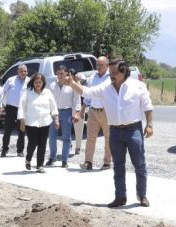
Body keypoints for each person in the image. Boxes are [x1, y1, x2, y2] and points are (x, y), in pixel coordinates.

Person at [65, 59, 153, 208]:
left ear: (124, 72)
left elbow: (148, 107)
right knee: (118, 165)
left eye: (114, 73)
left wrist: (149, 125)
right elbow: (87, 92)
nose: (111, 75)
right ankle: (120, 197)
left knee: (139, 163)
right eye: (110, 72)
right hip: (115, 131)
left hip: (133, 130)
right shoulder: (106, 88)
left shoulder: (138, 86)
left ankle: (142, 195)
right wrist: (72, 84)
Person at [18, 73, 59, 173]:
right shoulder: (27, 93)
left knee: (42, 144)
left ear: (43, 83)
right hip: (31, 122)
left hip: (45, 122)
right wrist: (22, 121)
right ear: (32, 83)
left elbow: (53, 106)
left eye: (39, 82)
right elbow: (21, 107)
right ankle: (28, 159)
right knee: (33, 142)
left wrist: (56, 119)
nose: (38, 84)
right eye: (36, 82)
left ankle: (39, 165)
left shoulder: (48, 92)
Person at [80, 56, 112, 171]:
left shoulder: (111, 77)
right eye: (97, 64)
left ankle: (107, 162)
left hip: (107, 112)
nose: (98, 67)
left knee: (108, 138)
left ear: (107, 65)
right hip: (93, 111)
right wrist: (83, 110)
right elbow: (87, 95)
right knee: (90, 137)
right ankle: (88, 162)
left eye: (101, 65)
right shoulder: (92, 78)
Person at [47, 65, 81, 168]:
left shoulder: (71, 85)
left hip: (67, 111)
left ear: (66, 73)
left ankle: (64, 160)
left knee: (66, 137)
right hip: (53, 112)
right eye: (58, 73)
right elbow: (47, 99)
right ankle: (52, 157)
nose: (60, 76)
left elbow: (77, 99)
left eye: (62, 73)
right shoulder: (52, 85)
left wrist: (77, 112)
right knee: (52, 136)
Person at [1, 64, 29, 157]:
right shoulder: (11, 80)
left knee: (21, 131)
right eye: (22, 71)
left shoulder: (29, 81)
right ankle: (4, 149)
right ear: (18, 72)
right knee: (7, 130)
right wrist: (2, 104)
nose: (23, 73)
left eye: (25, 71)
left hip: (23, 109)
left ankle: (20, 151)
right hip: (11, 108)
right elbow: (2, 92)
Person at [70, 69, 86, 155]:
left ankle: (78, 147)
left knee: (78, 130)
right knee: (67, 130)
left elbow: (78, 99)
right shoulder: (67, 83)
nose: (71, 76)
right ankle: (69, 144)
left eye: (72, 75)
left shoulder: (78, 83)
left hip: (79, 108)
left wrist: (78, 111)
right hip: (68, 109)